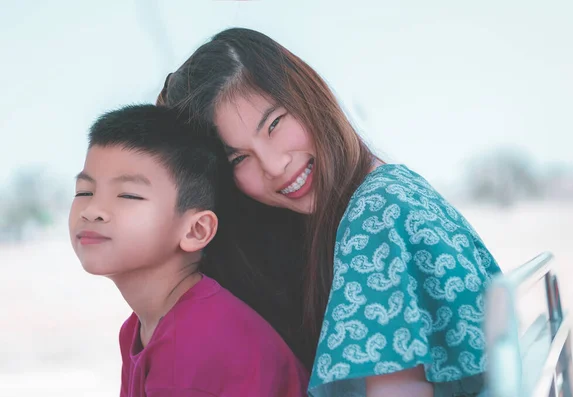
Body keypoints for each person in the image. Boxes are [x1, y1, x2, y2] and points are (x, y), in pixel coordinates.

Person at [161, 28, 502, 397]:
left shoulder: (374, 217)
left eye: (275, 124)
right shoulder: (388, 188)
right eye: (240, 158)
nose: (274, 166)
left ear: (309, 94)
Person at [68, 104, 309, 397]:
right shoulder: (137, 329)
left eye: (128, 195)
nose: (93, 211)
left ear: (196, 230)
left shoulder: (193, 340)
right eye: (84, 192)